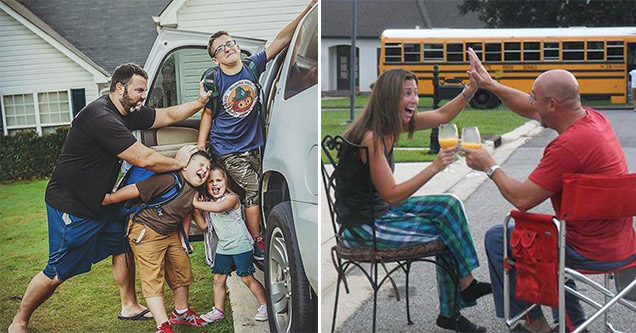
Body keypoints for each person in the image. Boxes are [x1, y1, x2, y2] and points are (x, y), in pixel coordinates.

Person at [8, 63, 213, 333]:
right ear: (119, 87)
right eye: (139, 90)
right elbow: (145, 158)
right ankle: (19, 321)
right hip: (72, 204)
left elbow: (165, 116)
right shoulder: (102, 118)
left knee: (122, 244)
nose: (143, 96)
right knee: (58, 270)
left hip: (101, 201)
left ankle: (129, 305)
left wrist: (199, 102)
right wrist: (182, 165)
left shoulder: (125, 111)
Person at [463, 48, 636, 333]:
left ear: (552, 105)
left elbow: (522, 199)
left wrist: (490, 165)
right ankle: (573, 323)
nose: (531, 101)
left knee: (502, 237)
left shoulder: (568, 146)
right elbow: (532, 108)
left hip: (586, 250)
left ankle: (534, 325)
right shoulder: (594, 120)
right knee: (551, 236)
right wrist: (491, 85)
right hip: (622, 244)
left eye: (534, 96)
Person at [334, 68, 492, 333]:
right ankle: (451, 312)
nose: (415, 99)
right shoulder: (371, 137)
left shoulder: (392, 124)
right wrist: (434, 167)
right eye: (407, 93)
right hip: (362, 228)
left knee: (449, 205)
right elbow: (392, 193)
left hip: (381, 211)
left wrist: (471, 89)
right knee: (447, 233)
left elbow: (443, 115)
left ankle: (467, 284)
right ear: (389, 97)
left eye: (416, 93)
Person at [196, 0, 317, 261]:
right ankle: (256, 242)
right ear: (215, 58)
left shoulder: (253, 66)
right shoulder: (215, 80)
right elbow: (207, 115)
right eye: (220, 49)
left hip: (254, 145)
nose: (227, 49)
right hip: (227, 149)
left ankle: (249, 234)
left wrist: (308, 11)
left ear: (238, 47)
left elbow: (283, 38)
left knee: (257, 189)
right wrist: (200, 147)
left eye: (230, 44)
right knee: (252, 190)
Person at [101, 146, 211, 333]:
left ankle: (181, 313)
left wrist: (184, 238)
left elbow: (185, 213)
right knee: (153, 276)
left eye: (208, 169)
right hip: (146, 230)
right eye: (201, 165)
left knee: (181, 267)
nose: (205, 171)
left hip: (170, 232)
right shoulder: (168, 179)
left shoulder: (193, 190)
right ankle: (163, 325)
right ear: (184, 166)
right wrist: (110, 199)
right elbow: (136, 189)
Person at [191, 164, 268, 324]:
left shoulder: (231, 198)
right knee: (218, 279)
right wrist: (195, 211)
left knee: (247, 278)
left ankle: (265, 305)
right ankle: (218, 311)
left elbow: (219, 208)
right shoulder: (209, 204)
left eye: (218, 180)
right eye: (210, 181)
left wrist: (195, 203)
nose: (214, 184)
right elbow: (204, 226)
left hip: (240, 245)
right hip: (224, 248)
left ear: (226, 182)